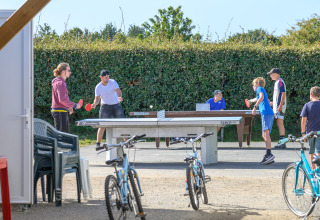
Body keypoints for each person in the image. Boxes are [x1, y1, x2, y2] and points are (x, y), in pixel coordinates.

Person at [91, 70, 125, 150]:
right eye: (106, 77)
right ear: (101, 77)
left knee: (122, 123)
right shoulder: (98, 87)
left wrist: (119, 97)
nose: (108, 78)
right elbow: (97, 99)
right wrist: (94, 104)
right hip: (105, 106)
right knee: (102, 125)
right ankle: (98, 144)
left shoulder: (113, 82)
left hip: (116, 105)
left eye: (108, 76)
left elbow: (118, 91)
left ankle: (126, 143)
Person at [250, 77, 275, 165]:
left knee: (265, 133)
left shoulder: (259, 88)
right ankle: (268, 154)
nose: (253, 86)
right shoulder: (261, 89)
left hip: (266, 113)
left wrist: (254, 107)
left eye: (253, 85)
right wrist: (250, 101)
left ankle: (269, 154)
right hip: (267, 113)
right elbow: (257, 98)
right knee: (264, 134)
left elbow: (261, 97)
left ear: (257, 84)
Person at [51, 62, 82, 133]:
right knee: (63, 136)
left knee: (62, 135)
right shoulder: (61, 83)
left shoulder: (58, 82)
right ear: (63, 72)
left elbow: (60, 100)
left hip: (59, 110)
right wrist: (75, 105)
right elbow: (62, 100)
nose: (70, 72)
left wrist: (68, 107)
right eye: (69, 70)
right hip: (60, 111)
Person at [300, 86, 320, 170]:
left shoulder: (307, 105)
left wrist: (303, 133)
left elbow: (303, 121)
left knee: (311, 151)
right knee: (318, 150)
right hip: (319, 132)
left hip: (310, 133)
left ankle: (313, 169)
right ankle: (318, 168)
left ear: (311, 94)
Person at [267, 68, 287, 149]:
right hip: (277, 106)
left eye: (271, 74)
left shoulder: (280, 81)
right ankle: (282, 142)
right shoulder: (277, 82)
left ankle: (283, 143)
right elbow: (278, 96)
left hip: (280, 107)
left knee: (280, 123)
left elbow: (283, 93)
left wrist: (280, 105)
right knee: (279, 123)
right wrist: (273, 103)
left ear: (275, 73)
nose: (270, 76)